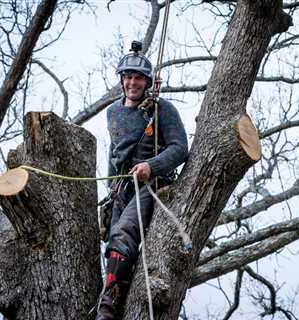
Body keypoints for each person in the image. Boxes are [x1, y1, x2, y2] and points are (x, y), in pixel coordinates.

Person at [96, 41, 189, 320]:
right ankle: (116, 293)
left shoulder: (161, 109)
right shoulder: (113, 112)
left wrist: (152, 166)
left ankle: (107, 302)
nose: (132, 82)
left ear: (147, 81)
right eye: (128, 77)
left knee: (125, 231)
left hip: (152, 186)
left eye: (138, 78)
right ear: (122, 80)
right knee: (113, 242)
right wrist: (111, 187)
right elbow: (114, 153)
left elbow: (180, 148)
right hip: (121, 187)